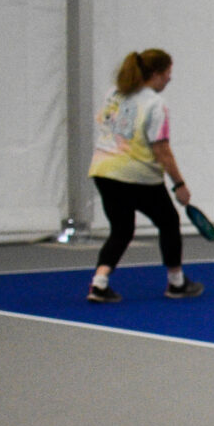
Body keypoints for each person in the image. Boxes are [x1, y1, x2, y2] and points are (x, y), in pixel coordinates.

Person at [85, 48, 201, 304]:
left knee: (121, 230)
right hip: (137, 174)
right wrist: (179, 184)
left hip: (103, 171)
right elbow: (161, 149)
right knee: (169, 221)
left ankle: (99, 283)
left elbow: (110, 126)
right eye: (168, 73)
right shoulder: (155, 104)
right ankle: (177, 283)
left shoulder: (114, 93)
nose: (170, 79)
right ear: (157, 74)